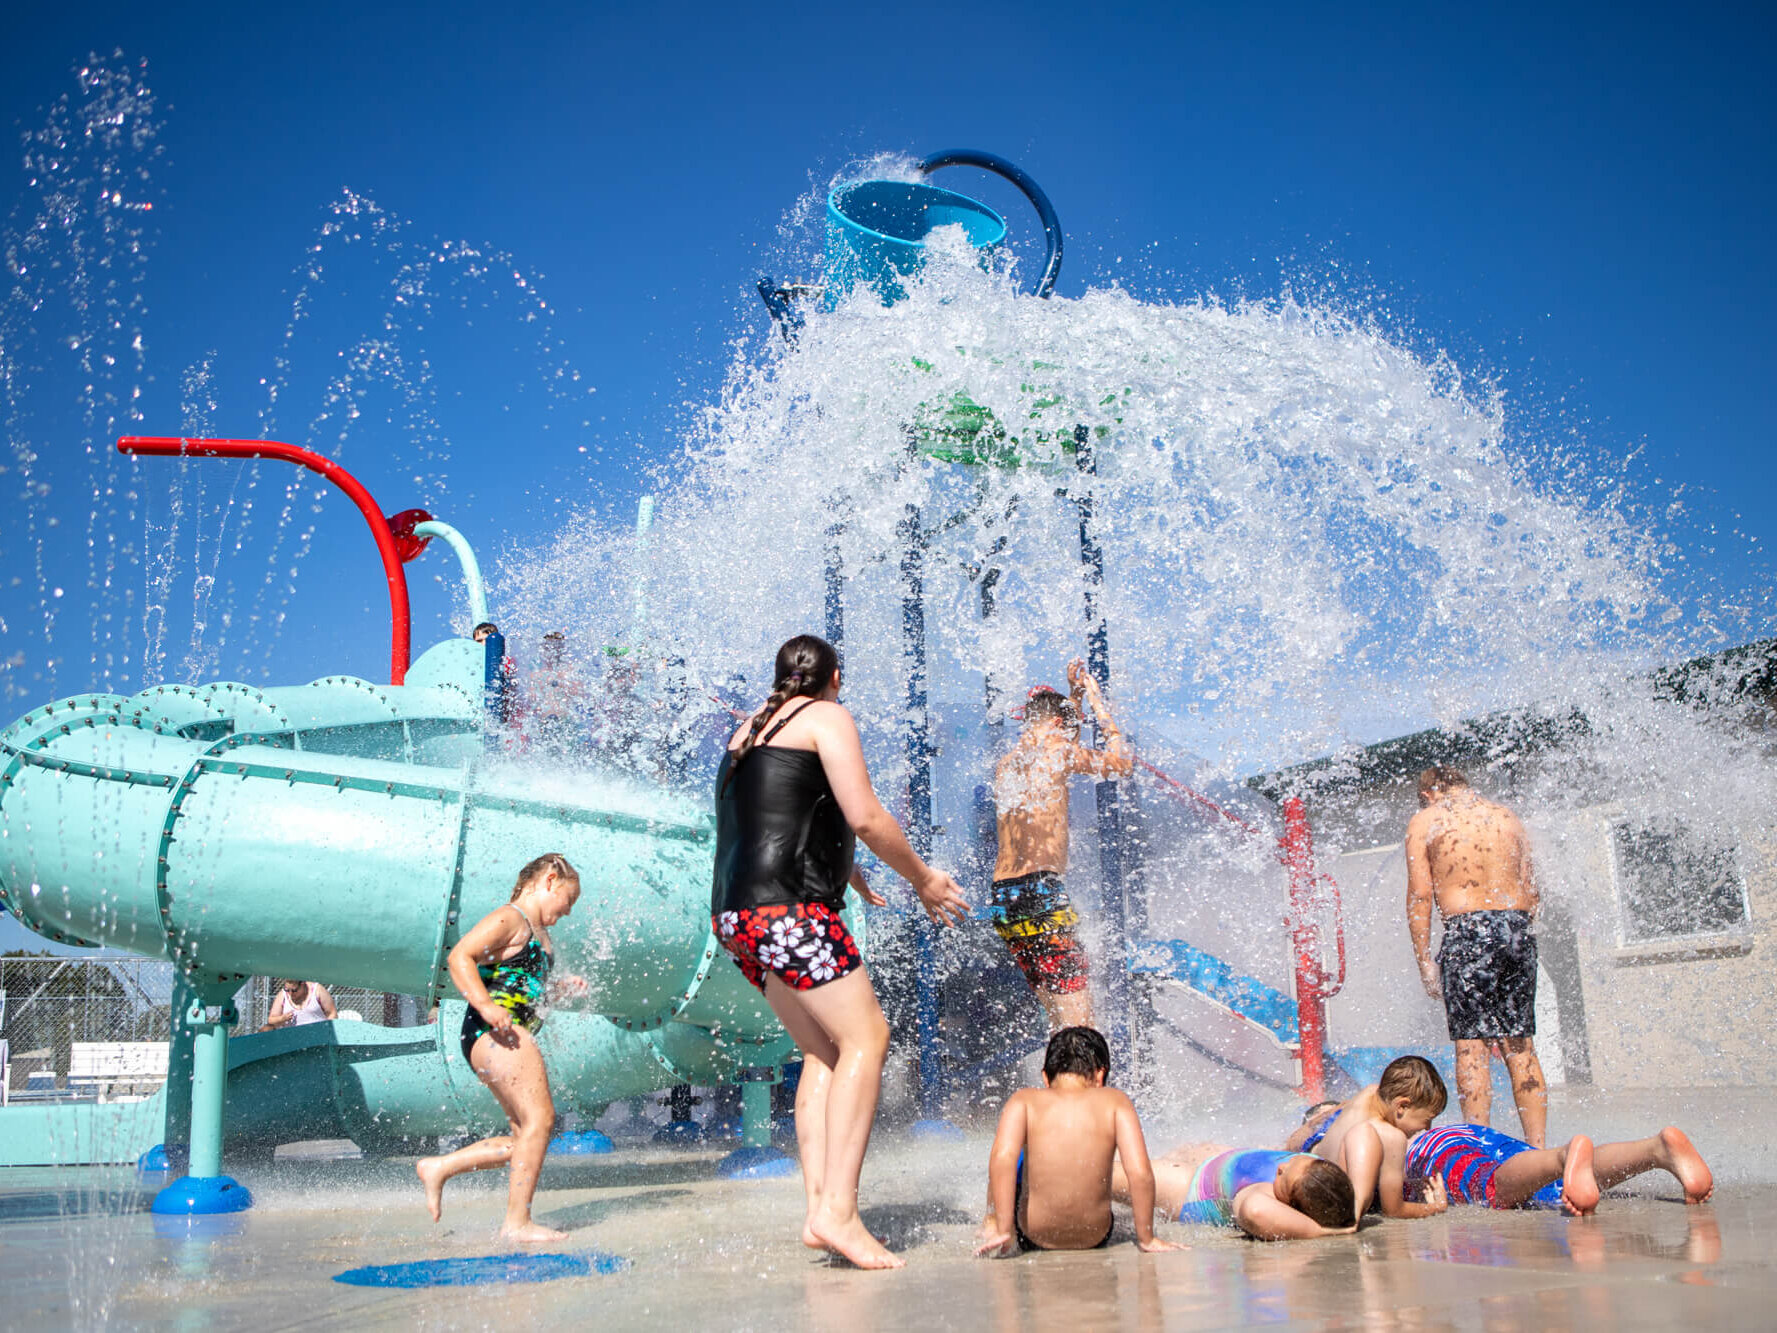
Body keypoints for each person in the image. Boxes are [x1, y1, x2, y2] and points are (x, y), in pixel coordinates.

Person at [713, 634, 968, 1270]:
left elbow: (773, 816)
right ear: (834, 677)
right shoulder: (828, 716)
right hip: (790, 908)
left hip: (735, 913)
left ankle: (817, 1211)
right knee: (868, 1039)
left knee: (823, 1052)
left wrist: (845, 873)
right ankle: (840, 1211)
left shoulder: (746, 732)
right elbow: (866, 816)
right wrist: (924, 879)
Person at [416, 853, 587, 1244]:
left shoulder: (538, 934)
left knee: (525, 1138)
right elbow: (461, 956)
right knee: (541, 1120)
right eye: (567, 901)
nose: (567, 912)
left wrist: (560, 989)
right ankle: (517, 1223)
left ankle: (441, 1167)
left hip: (500, 1033)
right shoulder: (512, 918)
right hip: (493, 1032)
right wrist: (486, 1005)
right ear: (549, 881)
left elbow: (523, 987)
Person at [1405, 765, 1548, 1146]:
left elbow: (1420, 896)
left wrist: (1425, 963)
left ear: (1429, 794)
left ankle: (1480, 1148)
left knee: (1472, 1046)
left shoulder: (1427, 819)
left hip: (1469, 931)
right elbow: (1532, 890)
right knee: (1520, 1044)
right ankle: (1538, 1150)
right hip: (1518, 928)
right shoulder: (1506, 817)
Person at [988, 660, 1133, 1030]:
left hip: (1005, 899)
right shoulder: (1059, 751)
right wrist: (1098, 705)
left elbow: (1060, 739)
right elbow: (1121, 764)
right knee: (1080, 1026)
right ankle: (1086, 1086)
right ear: (1056, 724)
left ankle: (1057, 1085)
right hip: (1042, 893)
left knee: (1057, 1019)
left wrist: (1074, 696)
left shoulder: (1007, 764)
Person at [975, 1026, 1181, 1256]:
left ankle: (993, 1224)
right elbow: (1140, 1172)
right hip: (1095, 1236)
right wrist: (1147, 1237)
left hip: (1032, 1235)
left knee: (1015, 1157)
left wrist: (1006, 1229)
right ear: (1100, 1075)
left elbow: (1002, 1159)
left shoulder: (1023, 1100)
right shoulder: (1116, 1101)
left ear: (1045, 1076)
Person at [1407, 1121, 1713, 1216]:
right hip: (1469, 1132)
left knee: (1489, 1188)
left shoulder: (1392, 1142)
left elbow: (1377, 1192)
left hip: (1429, 1152)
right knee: (1549, 1182)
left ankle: (1564, 1157)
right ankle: (1655, 1150)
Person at [1292, 1055, 1451, 1220]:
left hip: (1312, 1153)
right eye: (1427, 1120)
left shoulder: (1371, 1091)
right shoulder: (1392, 1137)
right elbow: (1394, 1210)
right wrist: (1435, 1207)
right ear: (1402, 1106)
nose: (1427, 1128)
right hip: (1327, 1199)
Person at [1118, 1142, 1357, 1241]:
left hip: (1189, 1188)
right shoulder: (1318, 1175)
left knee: (1102, 1172)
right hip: (1212, 1160)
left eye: (1282, 1177)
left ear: (1291, 1206)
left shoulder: (1263, 1196)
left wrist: (1319, 1231)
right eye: (1295, 1160)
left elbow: (1255, 1212)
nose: (1282, 1166)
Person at [262, 978, 336, 1030]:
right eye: (287, 990)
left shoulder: (317, 990)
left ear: (303, 984)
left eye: (294, 990)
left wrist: (327, 1032)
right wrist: (282, 1018)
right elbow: (271, 1020)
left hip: (317, 1038)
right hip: (293, 1041)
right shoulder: (283, 995)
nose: (290, 994)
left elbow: (332, 1013)